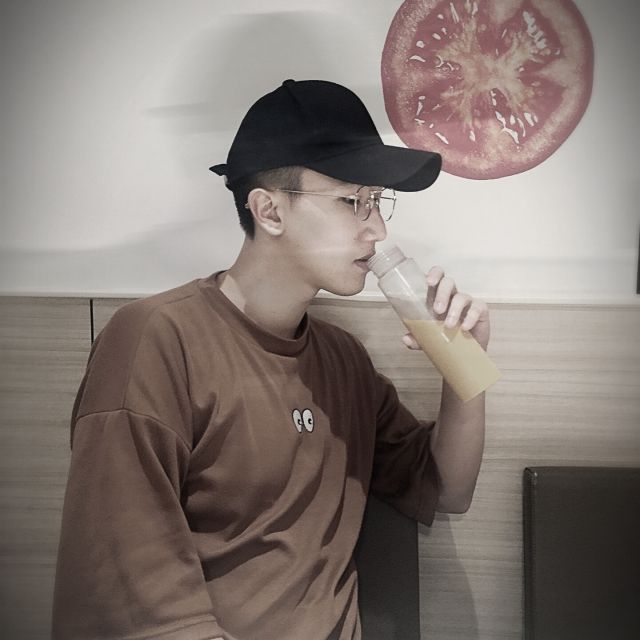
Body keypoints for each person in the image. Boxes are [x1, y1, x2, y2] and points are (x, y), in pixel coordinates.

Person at [52, 79, 490, 640]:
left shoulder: (344, 361)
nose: (378, 229)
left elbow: (448, 490)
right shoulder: (154, 340)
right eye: (353, 201)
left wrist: (465, 367)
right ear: (270, 211)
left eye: (378, 202)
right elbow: (136, 602)